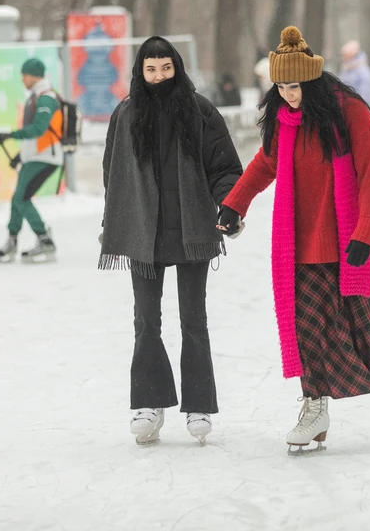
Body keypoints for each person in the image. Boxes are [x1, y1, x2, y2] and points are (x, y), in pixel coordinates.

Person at [216, 26, 370, 455]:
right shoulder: (284, 119)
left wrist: (365, 233)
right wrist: (235, 204)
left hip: (356, 238)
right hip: (306, 241)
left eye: (296, 86)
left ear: (313, 79)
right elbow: (264, 163)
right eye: (282, 86)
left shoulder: (349, 111)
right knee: (310, 328)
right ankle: (315, 409)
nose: (290, 94)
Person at [99, 36, 244, 446]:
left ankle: (198, 404)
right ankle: (149, 402)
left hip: (192, 230)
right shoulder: (126, 114)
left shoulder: (199, 111)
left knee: (193, 321)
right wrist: (115, 220)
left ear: (177, 68)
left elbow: (225, 167)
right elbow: (114, 173)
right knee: (146, 321)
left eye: (166, 68)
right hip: (144, 232)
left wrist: (228, 207)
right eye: (151, 69)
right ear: (140, 72)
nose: (159, 76)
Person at [0, 58, 62, 264]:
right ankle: (12, 240)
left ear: (34, 75)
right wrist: (19, 156)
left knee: (21, 198)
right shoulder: (35, 96)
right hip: (34, 157)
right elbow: (37, 135)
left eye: (25, 75)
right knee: (17, 198)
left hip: (45, 157)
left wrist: (9, 135)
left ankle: (45, 239)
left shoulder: (46, 97)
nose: (22, 79)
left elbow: (39, 129)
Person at [339, 40, 370, 105]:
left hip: (357, 107)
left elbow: (364, 95)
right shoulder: (347, 69)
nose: (344, 58)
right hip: (346, 106)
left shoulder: (363, 71)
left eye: (346, 55)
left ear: (353, 55)